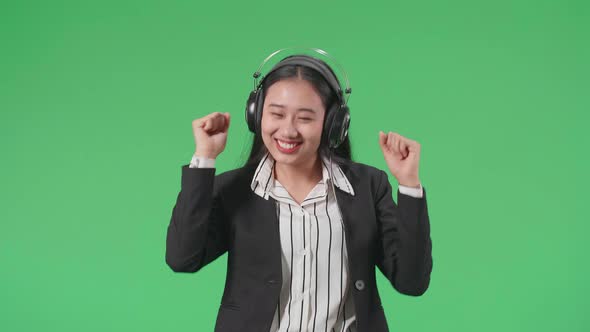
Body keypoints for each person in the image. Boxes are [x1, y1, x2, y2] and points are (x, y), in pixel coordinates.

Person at [165, 53, 433, 332]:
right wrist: (204, 158)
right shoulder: (235, 191)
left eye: (305, 118)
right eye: (276, 114)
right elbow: (182, 258)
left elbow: (411, 281)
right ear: (256, 114)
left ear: (333, 124)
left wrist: (409, 183)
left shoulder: (368, 186)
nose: (288, 130)